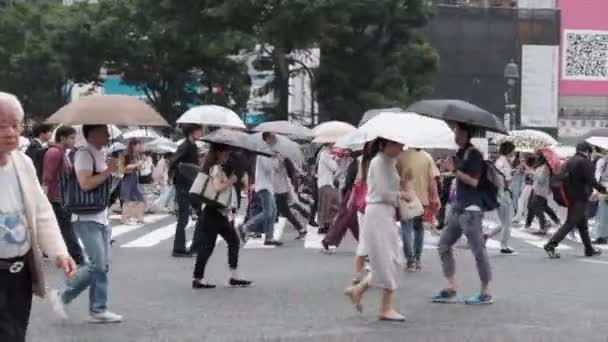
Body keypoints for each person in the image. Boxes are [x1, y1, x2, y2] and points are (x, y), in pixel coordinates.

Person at [0, 92, 76, 342]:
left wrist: (59, 252)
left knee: (16, 331)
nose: (11, 132)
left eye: (15, 125)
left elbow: (41, 211)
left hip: (18, 272)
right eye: (2, 126)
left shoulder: (22, 162)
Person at [49, 124, 123, 323]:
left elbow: (105, 186)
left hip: (100, 216)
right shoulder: (84, 154)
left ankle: (98, 309)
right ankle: (65, 295)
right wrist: (108, 171)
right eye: (104, 132)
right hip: (86, 217)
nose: (108, 135)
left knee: (102, 265)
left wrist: (113, 172)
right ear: (91, 135)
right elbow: (85, 183)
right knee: (98, 265)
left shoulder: (100, 153)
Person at [344, 138, 406, 322]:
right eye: (398, 144)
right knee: (389, 260)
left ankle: (358, 290)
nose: (401, 148)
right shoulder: (379, 162)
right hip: (378, 211)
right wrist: (402, 194)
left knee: (389, 259)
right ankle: (385, 308)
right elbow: (381, 192)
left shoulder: (389, 162)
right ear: (384, 145)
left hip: (385, 213)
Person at [433, 122, 493, 305]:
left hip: (471, 211)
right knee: (443, 245)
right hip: (458, 208)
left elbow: (474, 182)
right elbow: (460, 176)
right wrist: (450, 171)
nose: (454, 133)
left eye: (457, 130)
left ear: (466, 133)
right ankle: (451, 287)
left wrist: (454, 170)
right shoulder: (460, 153)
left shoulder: (474, 154)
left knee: (478, 251)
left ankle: (485, 293)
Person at [190, 143, 253, 289]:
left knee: (231, 241)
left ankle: (232, 276)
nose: (227, 155)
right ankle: (200, 278)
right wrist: (231, 181)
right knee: (210, 246)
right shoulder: (216, 168)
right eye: (225, 152)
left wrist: (233, 180)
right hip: (213, 213)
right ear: (218, 153)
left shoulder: (217, 168)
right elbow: (218, 187)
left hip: (217, 213)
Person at [544, 142, 605, 258]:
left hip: (570, 196)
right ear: (587, 151)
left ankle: (589, 249)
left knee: (583, 225)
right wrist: (603, 189)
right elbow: (591, 181)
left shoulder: (569, 162)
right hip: (580, 197)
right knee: (570, 223)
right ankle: (551, 245)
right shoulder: (585, 162)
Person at [42, 125, 84, 265]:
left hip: (62, 197)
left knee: (61, 227)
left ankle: (53, 251)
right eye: (71, 138)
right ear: (62, 138)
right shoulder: (54, 152)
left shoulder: (62, 153)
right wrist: (44, 199)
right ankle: (77, 256)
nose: (74, 141)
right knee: (66, 227)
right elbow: (47, 177)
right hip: (56, 198)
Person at [396, 148, 440, 271]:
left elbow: (395, 178)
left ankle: (410, 260)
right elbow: (432, 181)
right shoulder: (427, 157)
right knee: (419, 228)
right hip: (422, 200)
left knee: (406, 228)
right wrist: (435, 197)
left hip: (406, 198)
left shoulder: (400, 156)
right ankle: (417, 258)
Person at [239, 133, 282, 246]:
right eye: (273, 137)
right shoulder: (263, 151)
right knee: (268, 212)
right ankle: (246, 227)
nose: (275, 140)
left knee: (273, 212)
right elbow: (268, 168)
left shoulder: (270, 151)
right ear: (267, 138)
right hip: (263, 186)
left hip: (268, 186)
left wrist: (275, 158)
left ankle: (269, 237)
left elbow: (276, 168)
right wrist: (273, 158)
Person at [169, 124, 202, 257]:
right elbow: (173, 162)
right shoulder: (185, 145)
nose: (201, 133)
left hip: (191, 185)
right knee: (183, 218)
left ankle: (193, 246)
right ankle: (178, 248)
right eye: (199, 130)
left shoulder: (193, 146)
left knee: (197, 215)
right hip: (183, 185)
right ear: (191, 132)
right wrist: (187, 168)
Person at [485, 141, 516, 254]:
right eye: (513, 150)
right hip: (503, 193)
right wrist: (512, 176)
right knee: (507, 222)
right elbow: (505, 180)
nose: (514, 152)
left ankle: (487, 235)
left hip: (498, 194)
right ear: (509, 150)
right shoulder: (503, 162)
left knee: (504, 222)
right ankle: (504, 245)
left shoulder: (500, 161)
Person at [274, 157, 307, 239]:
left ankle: (252, 228)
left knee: (277, 211)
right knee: (285, 212)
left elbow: (275, 168)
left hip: (279, 190)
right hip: (281, 189)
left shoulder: (280, 160)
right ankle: (301, 228)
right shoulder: (283, 160)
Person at [525, 152, 554, 236]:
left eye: (538, 156)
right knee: (534, 207)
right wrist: (531, 175)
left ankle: (544, 226)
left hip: (540, 191)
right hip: (537, 190)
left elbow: (541, 180)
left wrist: (533, 174)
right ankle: (544, 225)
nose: (536, 157)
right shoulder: (541, 167)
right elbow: (537, 179)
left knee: (537, 209)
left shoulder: (545, 168)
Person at [120, 139, 145, 224]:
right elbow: (123, 167)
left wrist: (139, 165)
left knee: (140, 197)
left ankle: (140, 218)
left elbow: (136, 167)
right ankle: (125, 218)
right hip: (127, 178)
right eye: (139, 145)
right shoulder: (125, 154)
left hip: (134, 177)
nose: (140, 147)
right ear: (133, 145)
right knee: (127, 199)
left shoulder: (136, 155)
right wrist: (136, 165)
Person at [316, 143, 339, 234]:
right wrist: (334, 159)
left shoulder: (326, 153)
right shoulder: (325, 154)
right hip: (325, 183)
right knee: (328, 205)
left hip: (326, 183)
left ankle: (325, 225)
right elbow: (334, 167)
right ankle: (324, 225)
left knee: (326, 205)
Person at [593, 153, 608, 244]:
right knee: (603, 213)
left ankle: (600, 236)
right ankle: (602, 235)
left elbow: (597, 176)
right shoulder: (602, 161)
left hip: (604, 189)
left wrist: (595, 190)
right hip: (604, 189)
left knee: (602, 213)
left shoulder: (602, 161)